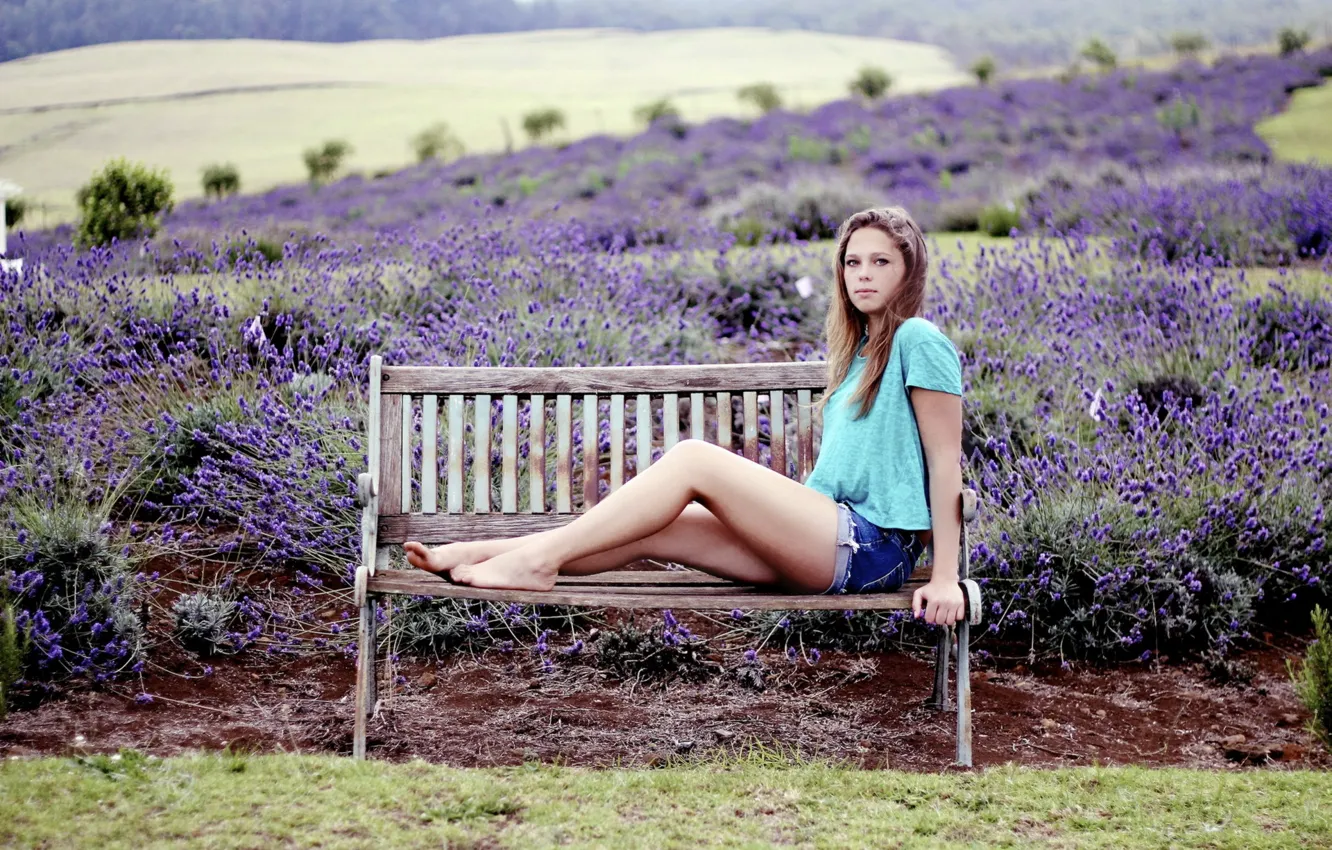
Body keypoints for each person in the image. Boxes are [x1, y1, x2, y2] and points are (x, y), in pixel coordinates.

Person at [403, 206, 968, 626]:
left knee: (694, 458)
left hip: (872, 548)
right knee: (659, 529)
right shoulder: (861, 354)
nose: (862, 273)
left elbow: (946, 464)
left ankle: (536, 562)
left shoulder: (919, 340)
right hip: (829, 532)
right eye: (852, 262)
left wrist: (945, 577)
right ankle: (478, 555)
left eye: (880, 262)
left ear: (908, 271)